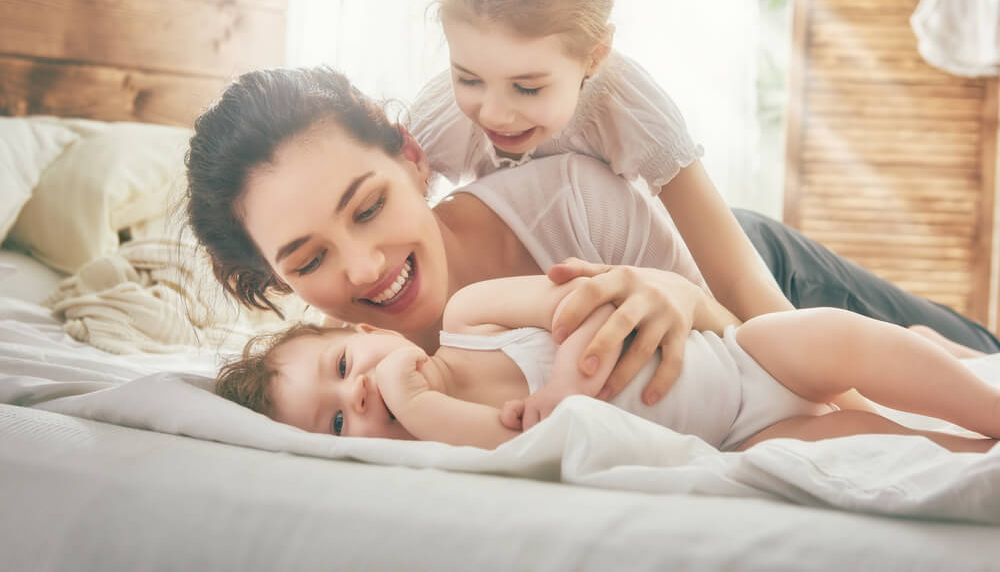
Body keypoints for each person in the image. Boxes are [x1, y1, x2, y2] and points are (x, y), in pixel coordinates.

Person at [184, 66, 996, 415]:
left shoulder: (570, 199)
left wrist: (678, 294)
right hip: (716, 329)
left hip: (741, 273)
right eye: (309, 259)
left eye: (367, 208)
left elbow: (755, 348)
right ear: (275, 277)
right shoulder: (335, 373)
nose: (364, 267)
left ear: (409, 156)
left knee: (973, 354)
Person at [408, 0, 1000, 367]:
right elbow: (390, 232)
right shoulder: (443, 115)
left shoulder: (628, 104)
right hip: (677, 283)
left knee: (938, 348)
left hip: (751, 262)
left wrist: (828, 391)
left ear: (595, 56)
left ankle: (945, 343)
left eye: (528, 88)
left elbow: (743, 283)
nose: (495, 112)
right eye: (469, 77)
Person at [215, 274, 1000, 454]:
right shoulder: (443, 441)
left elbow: (588, 299)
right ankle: (973, 454)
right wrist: (416, 408)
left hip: (737, 359)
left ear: (360, 328)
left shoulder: (468, 317)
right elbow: (514, 442)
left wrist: (562, 383)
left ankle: (984, 405)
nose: (358, 390)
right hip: (743, 438)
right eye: (339, 421)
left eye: (345, 361)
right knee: (861, 446)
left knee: (844, 340)